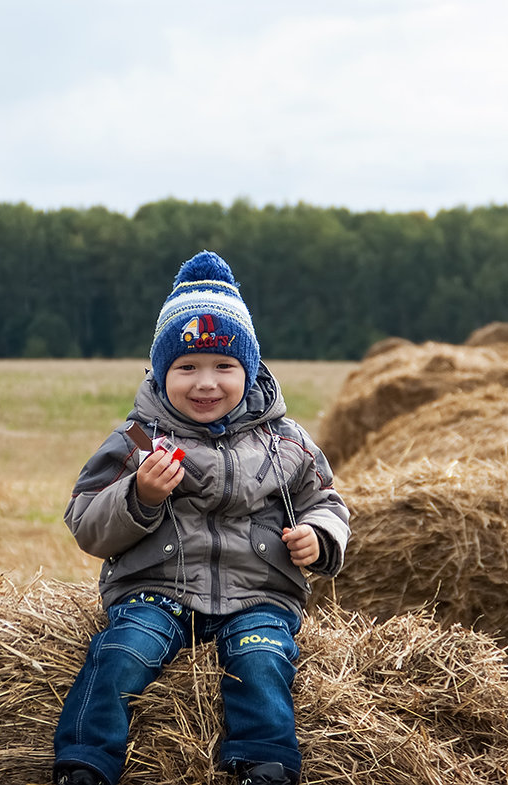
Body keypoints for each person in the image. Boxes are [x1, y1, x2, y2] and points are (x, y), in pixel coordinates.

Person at [52, 251, 351, 785]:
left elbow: (326, 501)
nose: (205, 383)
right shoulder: (138, 441)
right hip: (157, 590)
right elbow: (85, 521)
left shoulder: (286, 442)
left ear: (251, 369)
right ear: (161, 372)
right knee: (118, 655)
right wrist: (138, 495)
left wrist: (320, 537)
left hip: (257, 593)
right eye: (186, 367)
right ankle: (84, 762)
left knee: (263, 663)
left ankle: (267, 765)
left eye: (224, 367)